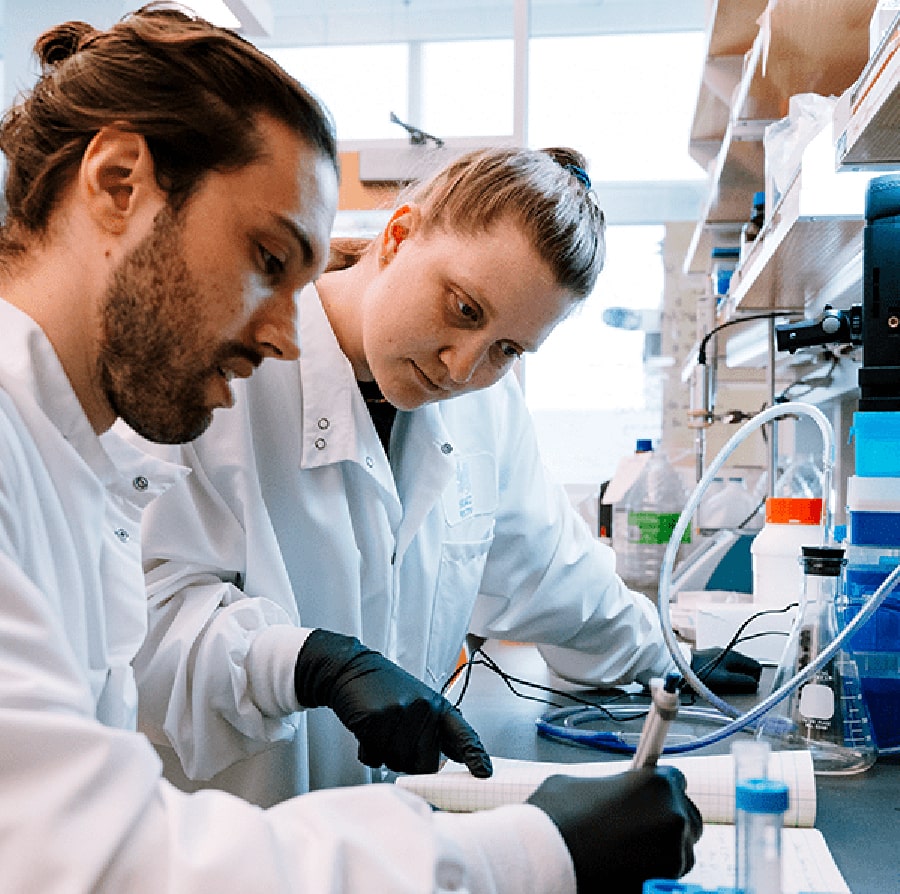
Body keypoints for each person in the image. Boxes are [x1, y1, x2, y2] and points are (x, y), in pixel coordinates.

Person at [0, 5, 701, 892]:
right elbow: (95, 856)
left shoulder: (65, 449)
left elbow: (553, 577)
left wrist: (669, 659)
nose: (285, 333)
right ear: (117, 184)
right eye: (266, 258)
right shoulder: (49, 441)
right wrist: (532, 855)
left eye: (508, 349)